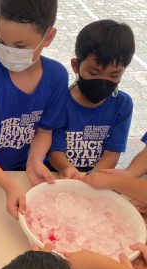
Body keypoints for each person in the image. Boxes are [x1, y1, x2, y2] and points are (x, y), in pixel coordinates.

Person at [0, 0, 68, 219]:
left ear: (48, 37)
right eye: (0, 41)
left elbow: (44, 131)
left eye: (20, 46)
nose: (7, 52)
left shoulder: (56, 77)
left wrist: (34, 160)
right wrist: (7, 185)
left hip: (20, 175)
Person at [49, 20, 135, 178]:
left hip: (96, 177)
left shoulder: (123, 105)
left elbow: (112, 153)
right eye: (93, 73)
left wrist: (92, 176)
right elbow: (54, 151)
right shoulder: (59, 101)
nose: (103, 81)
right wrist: (68, 170)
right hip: (57, 174)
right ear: (75, 66)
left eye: (114, 75)